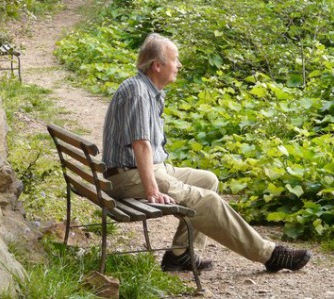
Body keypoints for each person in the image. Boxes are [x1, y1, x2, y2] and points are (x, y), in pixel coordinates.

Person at [102, 33, 311, 273]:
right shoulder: (139, 93)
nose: (179, 65)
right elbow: (141, 145)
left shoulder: (147, 90)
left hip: (139, 170)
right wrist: (152, 190)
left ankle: (180, 254)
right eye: (175, 59)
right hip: (128, 176)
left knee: (208, 180)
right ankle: (269, 254)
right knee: (207, 201)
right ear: (157, 65)